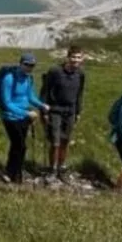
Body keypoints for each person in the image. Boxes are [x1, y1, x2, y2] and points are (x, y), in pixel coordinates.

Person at [0, 53, 49, 184]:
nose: (29, 68)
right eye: (26, 65)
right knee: (20, 146)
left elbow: (30, 97)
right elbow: (6, 103)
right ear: (20, 64)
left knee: (17, 146)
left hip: (24, 116)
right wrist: (27, 113)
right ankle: (14, 173)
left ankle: (12, 171)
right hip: (10, 117)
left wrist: (41, 105)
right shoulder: (9, 79)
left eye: (32, 65)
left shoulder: (28, 78)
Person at [40, 46, 86, 181]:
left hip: (70, 111)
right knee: (55, 142)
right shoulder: (55, 71)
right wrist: (44, 110)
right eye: (73, 57)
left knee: (65, 141)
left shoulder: (80, 74)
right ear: (68, 57)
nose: (75, 60)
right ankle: (52, 170)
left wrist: (78, 111)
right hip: (55, 110)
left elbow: (79, 94)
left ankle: (61, 168)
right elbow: (45, 91)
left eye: (78, 57)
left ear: (82, 59)